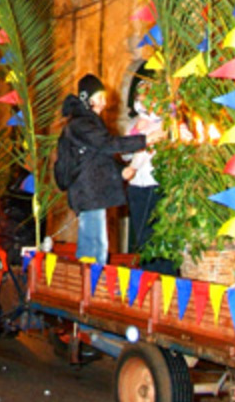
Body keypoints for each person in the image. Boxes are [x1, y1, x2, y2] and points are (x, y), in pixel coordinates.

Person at [61, 73, 162, 264]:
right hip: (88, 192)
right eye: (99, 97)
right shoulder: (82, 124)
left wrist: (119, 170)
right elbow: (106, 144)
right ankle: (90, 286)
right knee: (94, 245)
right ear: (87, 99)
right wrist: (144, 139)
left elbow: (99, 155)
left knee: (97, 243)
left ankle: (91, 284)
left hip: (93, 190)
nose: (104, 102)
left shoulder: (88, 122)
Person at [122, 78, 177, 274]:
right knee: (142, 235)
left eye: (147, 96)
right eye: (140, 97)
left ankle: (165, 276)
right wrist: (136, 133)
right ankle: (148, 276)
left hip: (158, 184)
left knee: (160, 233)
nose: (143, 101)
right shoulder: (134, 123)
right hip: (137, 186)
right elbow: (125, 154)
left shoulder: (168, 123)